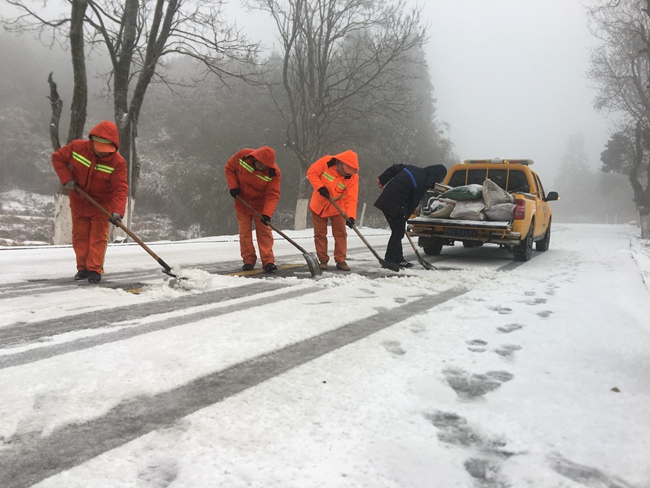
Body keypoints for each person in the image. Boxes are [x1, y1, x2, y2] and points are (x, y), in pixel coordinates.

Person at [52, 120, 128, 284]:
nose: (102, 154)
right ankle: (83, 268)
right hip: (79, 201)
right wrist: (67, 179)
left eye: (106, 151)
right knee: (80, 237)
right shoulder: (77, 148)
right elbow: (58, 158)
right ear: (92, 141)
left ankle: (94, 269)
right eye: (99, 149)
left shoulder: (118, 163)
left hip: (102, 206)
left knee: (97, 238)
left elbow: (120, 188)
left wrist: (117, 211)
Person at [374, 163, 447, 268]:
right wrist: (405, 216)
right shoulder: (424, 182)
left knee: (397, 231)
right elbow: (414, 201)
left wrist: (382, 179)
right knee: (398, 232)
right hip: (395, 203)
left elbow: (396, 168)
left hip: (388, 199)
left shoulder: (414, 168)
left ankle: (398, 258)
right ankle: (390, 259)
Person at [225, 146, 281, 272]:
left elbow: (273, 195)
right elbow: (229, 169)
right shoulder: (242, 156)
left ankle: (268, 261)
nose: (263, 168)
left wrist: (267, 214)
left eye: (266, 165)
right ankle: (248, 260)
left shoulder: (273, 173)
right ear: (255, 159)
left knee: (264, 232)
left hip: (260, 206)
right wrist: (233, 187)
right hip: (242, 201)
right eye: (261, 164)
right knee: (245, 233)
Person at [306, 150, 359, 271]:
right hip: (319, 205)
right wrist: (320, 187)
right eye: (345, 172)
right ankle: (323, 259)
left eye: (349, 174)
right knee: (320, 234)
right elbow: (311, 172)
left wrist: (351, 216)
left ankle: (340, 260)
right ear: (340, 164)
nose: (346, 175)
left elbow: (351, 198)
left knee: (340, 234)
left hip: (338, 208)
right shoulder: (326, 162)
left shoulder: (353, 177)